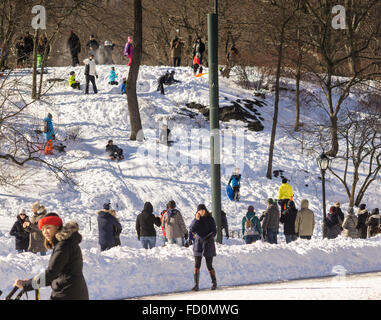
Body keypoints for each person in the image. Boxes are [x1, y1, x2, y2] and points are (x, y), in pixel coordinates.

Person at [14, 213, 89, 300]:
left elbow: (51, 274)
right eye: (42, 229)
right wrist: (31, 281)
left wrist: (26, 285)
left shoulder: (63, 246)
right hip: (71, 292)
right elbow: (56, 273)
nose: (45, 232)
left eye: (48, 227)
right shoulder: (65, 243)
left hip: (67, 294)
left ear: (57, 227)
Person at [189, 204, 217, 291]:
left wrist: (210, 237)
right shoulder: (197, 219)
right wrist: (196, 220)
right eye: (199, 211)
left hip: (208, 243)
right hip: (198, 243)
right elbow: (191, 229)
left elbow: (214, 231)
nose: (201, 212)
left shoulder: (210, 219)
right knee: (197, 264)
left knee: (209, 264)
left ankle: (214, 282)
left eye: (202, 210)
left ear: (205, 210)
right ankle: (196, 284)